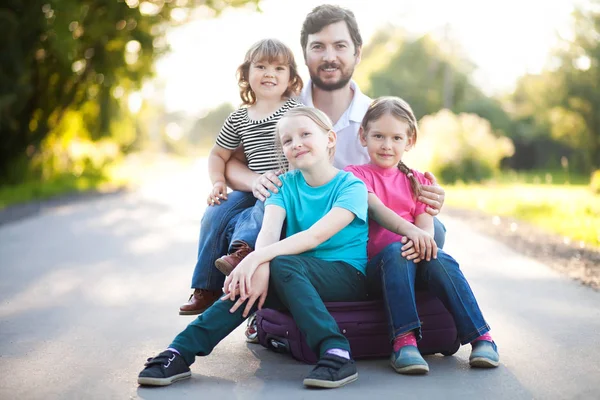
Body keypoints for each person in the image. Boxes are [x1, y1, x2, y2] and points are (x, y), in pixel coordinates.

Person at [204, 5, 447, 338]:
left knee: (434, 233)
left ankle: (376, 307)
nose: (329, 55)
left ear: (358, 53)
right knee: (241, 216)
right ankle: (265, 299)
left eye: (340, 46)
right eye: (318, 46)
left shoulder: (375, 117)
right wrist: (254, 181)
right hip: (297, 219)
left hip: (355, 225)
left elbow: (399, 170)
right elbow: (229, 158)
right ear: (304, 54)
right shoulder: (283, 106)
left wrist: (426, 194)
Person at [138, 107, 370, 389]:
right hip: (294, 275)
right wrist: (257, 268)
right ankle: (178, 352)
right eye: (287, 140)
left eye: (305, 134)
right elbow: (268, 232)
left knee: (279, 264)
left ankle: (337, 352)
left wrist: (256, 260)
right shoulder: (283, 185)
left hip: (346, 276)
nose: (296, 143)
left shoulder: (351, 186)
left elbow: (312, 238)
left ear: (330, 139)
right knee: (247, 282)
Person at [345, 96, 499, 375]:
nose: (387, 145)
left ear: (410, 140)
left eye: (396, 137)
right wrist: (414, 236)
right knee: (396, 251)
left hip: (414, 261)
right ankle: (404, 341)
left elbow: (426, 224)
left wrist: (424, 240)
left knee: (442, 259)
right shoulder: (354, 176)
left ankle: (481, 337)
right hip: (374, 271)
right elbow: (377, 211)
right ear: (363, 136)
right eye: (378, 136)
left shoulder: (419, 181)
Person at [178, 38, 303, 315]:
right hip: (251, 186)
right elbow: (218, 155)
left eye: (279, 68)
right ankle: (206, 287)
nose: (269, 73)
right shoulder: (239, 118)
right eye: (261, 66)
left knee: (266, 202)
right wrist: (218, 182)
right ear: (246, 74)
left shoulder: (294, 112)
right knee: (216, 211)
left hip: (284, 186)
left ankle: (243, 252)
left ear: (291, 78)